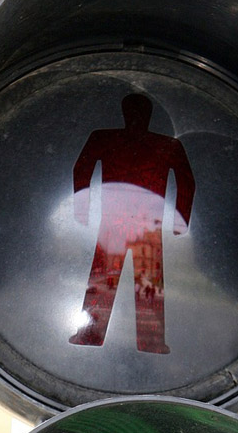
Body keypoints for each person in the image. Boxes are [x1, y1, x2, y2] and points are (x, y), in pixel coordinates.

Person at [69, 94, 195, 353]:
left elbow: (186, 180)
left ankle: (138, 340)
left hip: (130, 223)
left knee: (133, 281)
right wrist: (179, 220)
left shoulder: (160, 144)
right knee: (112, 279)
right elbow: (81, 168)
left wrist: (180, 220)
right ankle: (105, 335)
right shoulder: (161, 144)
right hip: (134, 223)